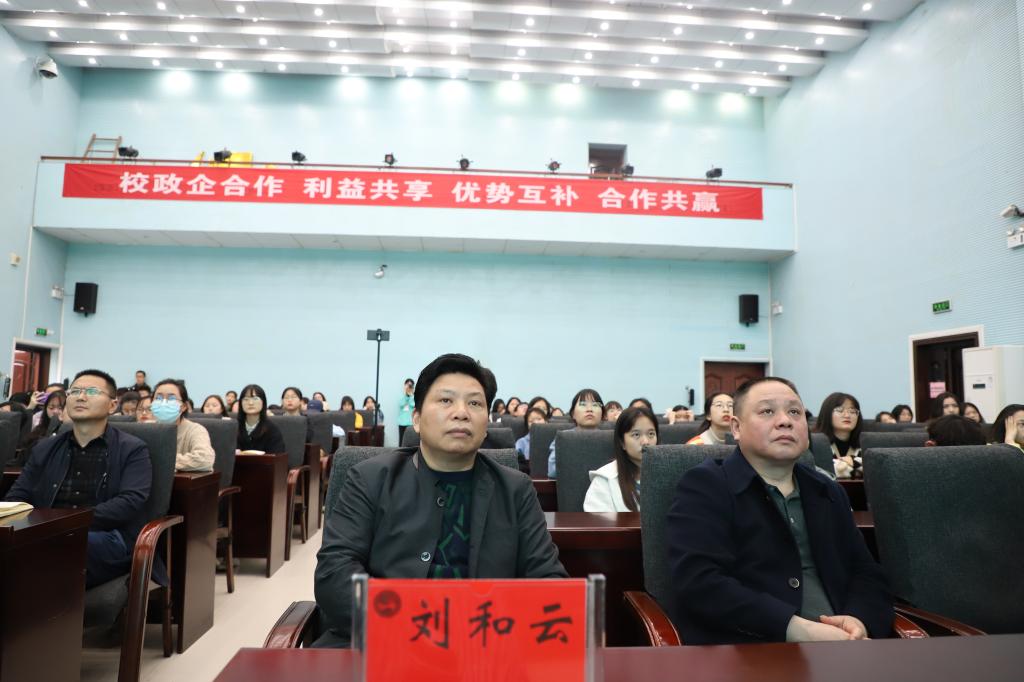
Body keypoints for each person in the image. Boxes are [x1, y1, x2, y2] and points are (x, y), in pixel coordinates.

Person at [313, 353, 567, 647]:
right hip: (382, 644)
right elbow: (335, 574)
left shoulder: (516, 490)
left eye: (475, 403)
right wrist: (414, 624)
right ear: (417, 420)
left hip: (484, 648)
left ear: (486, 424)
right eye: (446, 400)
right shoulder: (369, 479)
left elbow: (549, 582)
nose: (461, 413)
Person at [666, 376, 893, 645]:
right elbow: (699, 582)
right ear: (736, 428)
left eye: (795, 412)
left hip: (846, 646)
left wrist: (858, 621)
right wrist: (794, 629)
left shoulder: (827, 490)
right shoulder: (706, 486)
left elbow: (865, 572)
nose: (785, 421)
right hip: (751, 651)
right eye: (767, 411)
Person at [4, 369, 152, 588]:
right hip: (46, 533)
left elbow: (130, 501)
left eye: (91, 391)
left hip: (105, 536)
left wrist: (67, 524)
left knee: (57, 547)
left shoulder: (132, 449)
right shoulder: (45, 448)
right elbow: (17, 496)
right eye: (74, 392)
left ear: (112, 405)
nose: (80, 397)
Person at [584, 406, 658, 512]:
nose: (645, 441)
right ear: (622, 442)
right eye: (636, 434)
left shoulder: (669, 475)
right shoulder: (604, 481)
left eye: (651, 434)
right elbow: (597, 521)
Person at [149, 379, 214, 472]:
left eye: (171, 399)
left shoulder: (196, 430)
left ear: (183, 406)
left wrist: (161, 461)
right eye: (158, 398)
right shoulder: (147, 429)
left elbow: (205, 459)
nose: (163, 403)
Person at [548, 389, 605, 478]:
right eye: (583, 404)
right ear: (573, 413)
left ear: (602, 413)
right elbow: (552, 471)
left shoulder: (612, 439)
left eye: (595, 405)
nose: (589, 409)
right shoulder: (563, 438)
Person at [816, 392, 863, 479]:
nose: (847, 415)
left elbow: (873, 468)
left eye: (852, 411)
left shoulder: (865, 444)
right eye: (840, 410)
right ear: (827, 413)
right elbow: (821, 471)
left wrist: (848, 462)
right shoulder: (815, 443)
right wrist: (857, 466)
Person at [236, 384, 286, 453]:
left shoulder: (272, 429)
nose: (250, 403)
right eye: (246, 399)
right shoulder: (234, 427)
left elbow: (277, 455)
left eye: (255, 399)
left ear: (263, 402)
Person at [397, 378, 415, 443]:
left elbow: (413, 404)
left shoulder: (414, 397)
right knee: (401, 440)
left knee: (411, 440)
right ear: (405, 386)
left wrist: (411, 395)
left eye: (410, 385)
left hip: (411, 423)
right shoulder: (402, 397)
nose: (409, 387)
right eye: (408, 385)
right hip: (402, 423)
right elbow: (401, 404)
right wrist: (406, 394)